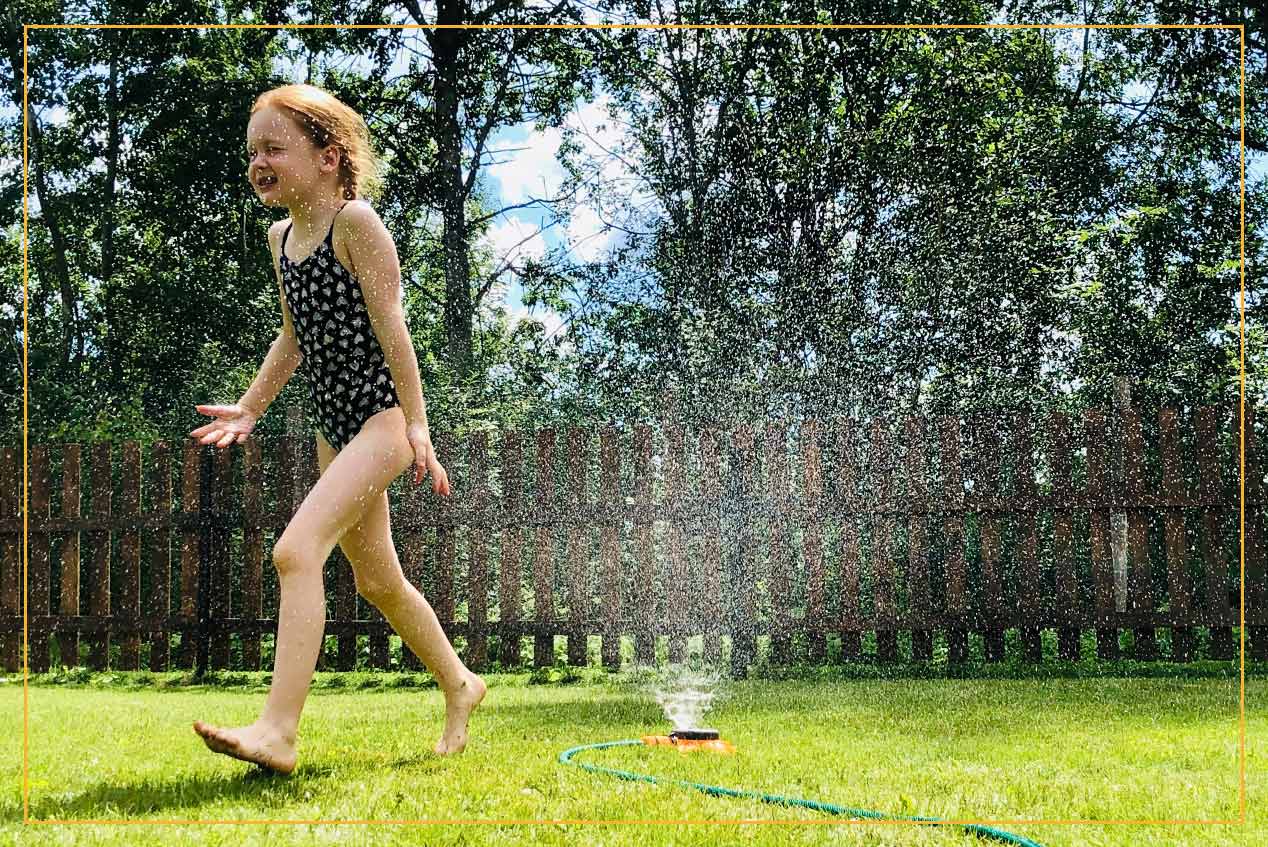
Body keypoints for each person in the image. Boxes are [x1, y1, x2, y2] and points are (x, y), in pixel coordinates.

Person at [189, 83, 485, 774]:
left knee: (296, 552)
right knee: (379, 580)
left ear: (328, 156)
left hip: (381, 422)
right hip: (335, 428)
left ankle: (278, 731)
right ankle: (461, 683)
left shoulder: (357, 224)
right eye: (252, 151)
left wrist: (418, 426)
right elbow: (292, 339)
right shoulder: (281, 238)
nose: (258, 161)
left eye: (274, 148)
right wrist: (252, 405)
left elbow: (394, 331)